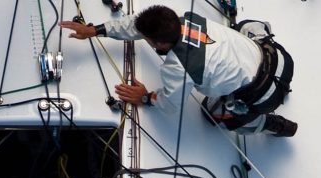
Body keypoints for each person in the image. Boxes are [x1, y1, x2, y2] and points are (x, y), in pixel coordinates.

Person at [60, 5, 297, 136]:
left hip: (265, 94)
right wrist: (96, 30)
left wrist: (145, 97)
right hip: (277, 57)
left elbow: (171, 105)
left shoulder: (178, 66)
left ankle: (265, 124)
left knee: (210, 113)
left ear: (160, 45)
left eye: (148, 40)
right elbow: (138, 25)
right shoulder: (185, 19)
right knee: (243, 27)